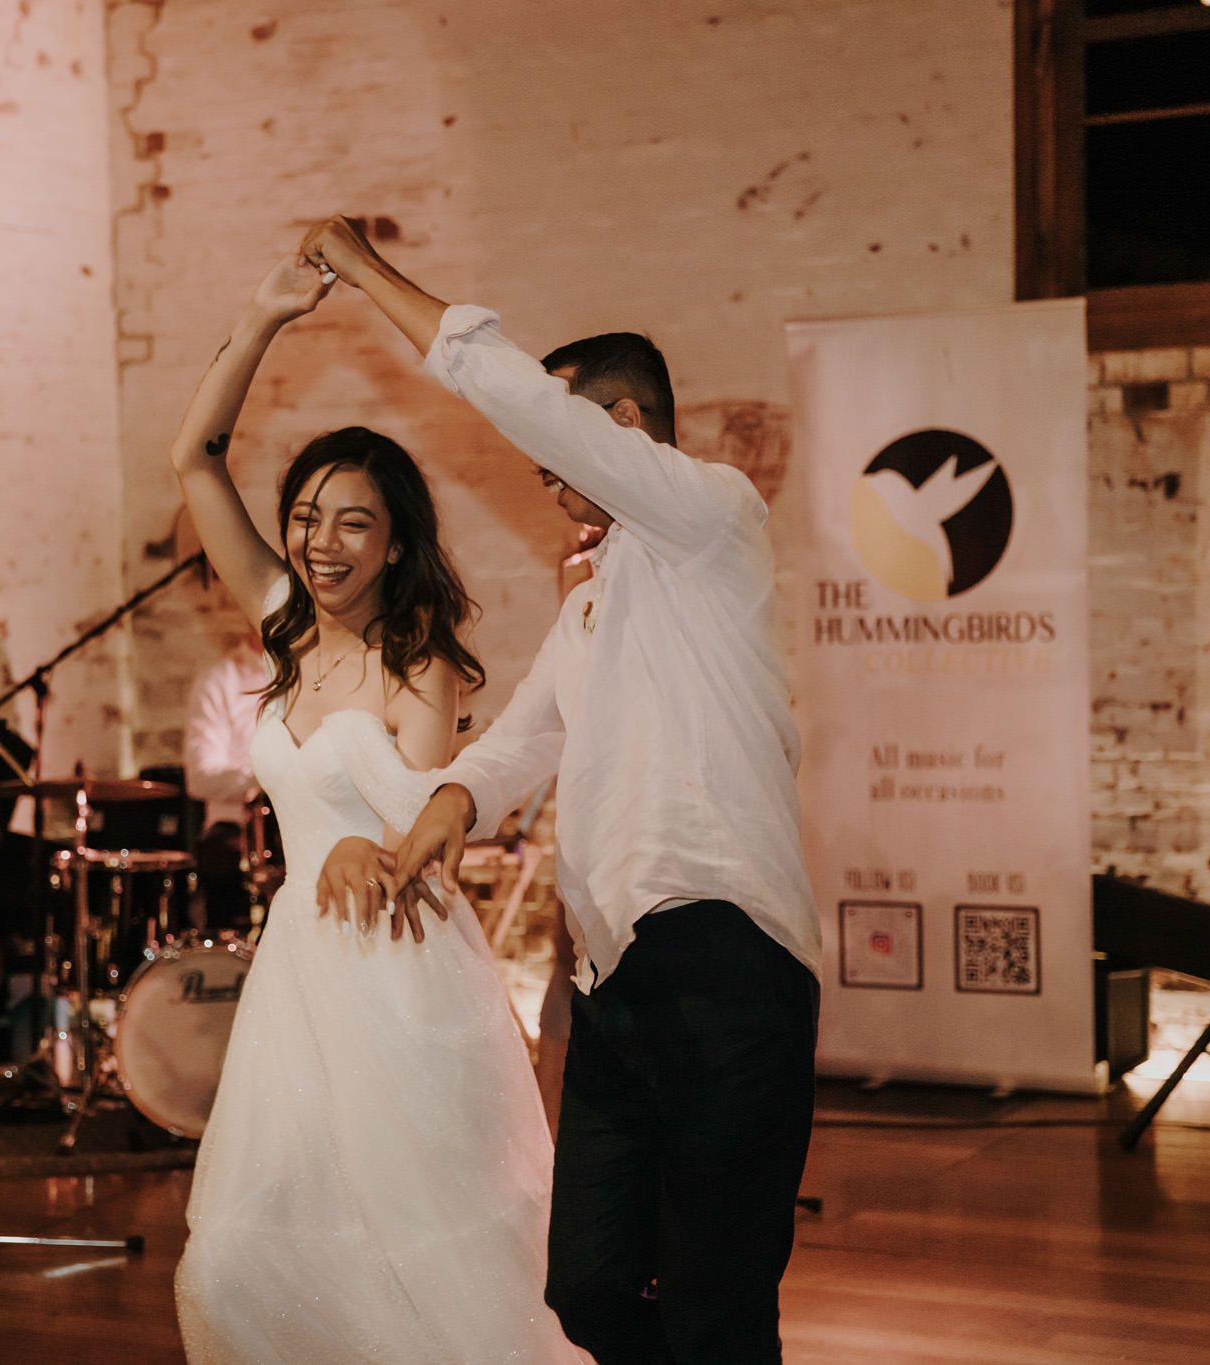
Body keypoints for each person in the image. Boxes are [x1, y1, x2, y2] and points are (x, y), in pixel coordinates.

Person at [306, 215, 823, 1365]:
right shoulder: (592, 596)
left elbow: (511, 393)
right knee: (587, 1289)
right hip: (609, 982)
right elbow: (523, 737)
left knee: (715, 1310)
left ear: (622, 427)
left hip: (726, 967)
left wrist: (368, 271)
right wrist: (447, 806)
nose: (546, 485)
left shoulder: (712, 517)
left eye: (558, 457)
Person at [166, 252, 579, 1363]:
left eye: (353, 522)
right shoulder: (282, 623)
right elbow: (193, 457)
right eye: (307, 517)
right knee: (248, 1254)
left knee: (414, 1250)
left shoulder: (418, 663)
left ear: (395, 541)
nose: (321, 541)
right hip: (300, 968)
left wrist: (371, 849)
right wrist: (261, 317)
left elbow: (426, 825)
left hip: (398, 969)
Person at [182, 632, 264, 929]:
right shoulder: (219, 680)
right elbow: (200, 777)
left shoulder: (312, 672)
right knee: (220, 854)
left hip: (302, 824)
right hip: (238, 831)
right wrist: (265, 778)